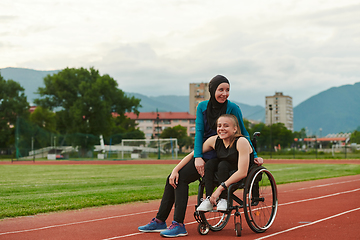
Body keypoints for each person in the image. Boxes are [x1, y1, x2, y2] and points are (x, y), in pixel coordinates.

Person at [138, 75, 262, 237]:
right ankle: (161, 221)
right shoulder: (202, 107)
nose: (224, 93)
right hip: (208, 149)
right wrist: (197, 157)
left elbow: (243, 133)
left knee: (190, 175)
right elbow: (199, 133)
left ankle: (178, 223)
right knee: (174, 177)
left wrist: (255, 155)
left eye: (227, 90)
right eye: (220, 90)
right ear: (212, 90)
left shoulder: (233, 108)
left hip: (225, 154)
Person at [199, 114, 255, 212]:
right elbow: (194, 154)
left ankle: (223, 199)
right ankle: (208, 198)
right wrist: (176, 170)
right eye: (219, 126)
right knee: (210, 164)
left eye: (226, 126)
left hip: (239, 171)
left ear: (234, 129)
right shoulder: (214, 140)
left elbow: (242, 172)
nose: (222, 129)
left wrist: (219, 189)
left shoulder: (241, 141)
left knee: (222, 165)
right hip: (224, 169)